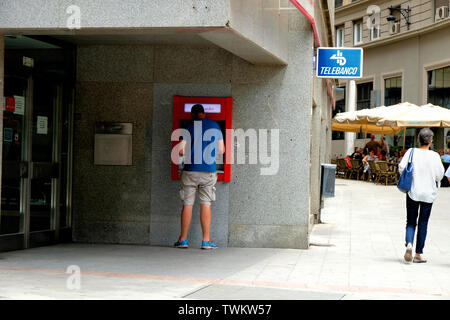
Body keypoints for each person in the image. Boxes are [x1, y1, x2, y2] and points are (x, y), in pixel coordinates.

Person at [174, 104, 225, 250]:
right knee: (206, 203)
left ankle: (183, 240)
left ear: (192, 114)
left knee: (188, 204)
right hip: (208, 171)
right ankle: (206, 241)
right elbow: (221, 150)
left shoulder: (189, 127)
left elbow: (181, 151)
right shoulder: (215, 125)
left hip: (190, 171)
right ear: (204, 113)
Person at [399, 128, 445, 263]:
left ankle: (409, 244)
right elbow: (440, 175)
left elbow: (401, 168)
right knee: (423, 223)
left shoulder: (411, 152)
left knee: (411, 221)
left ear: (419, 140)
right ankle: (418, 253)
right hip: (428, 194)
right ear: (430, 141)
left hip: (413, 191)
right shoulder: (435, 156)